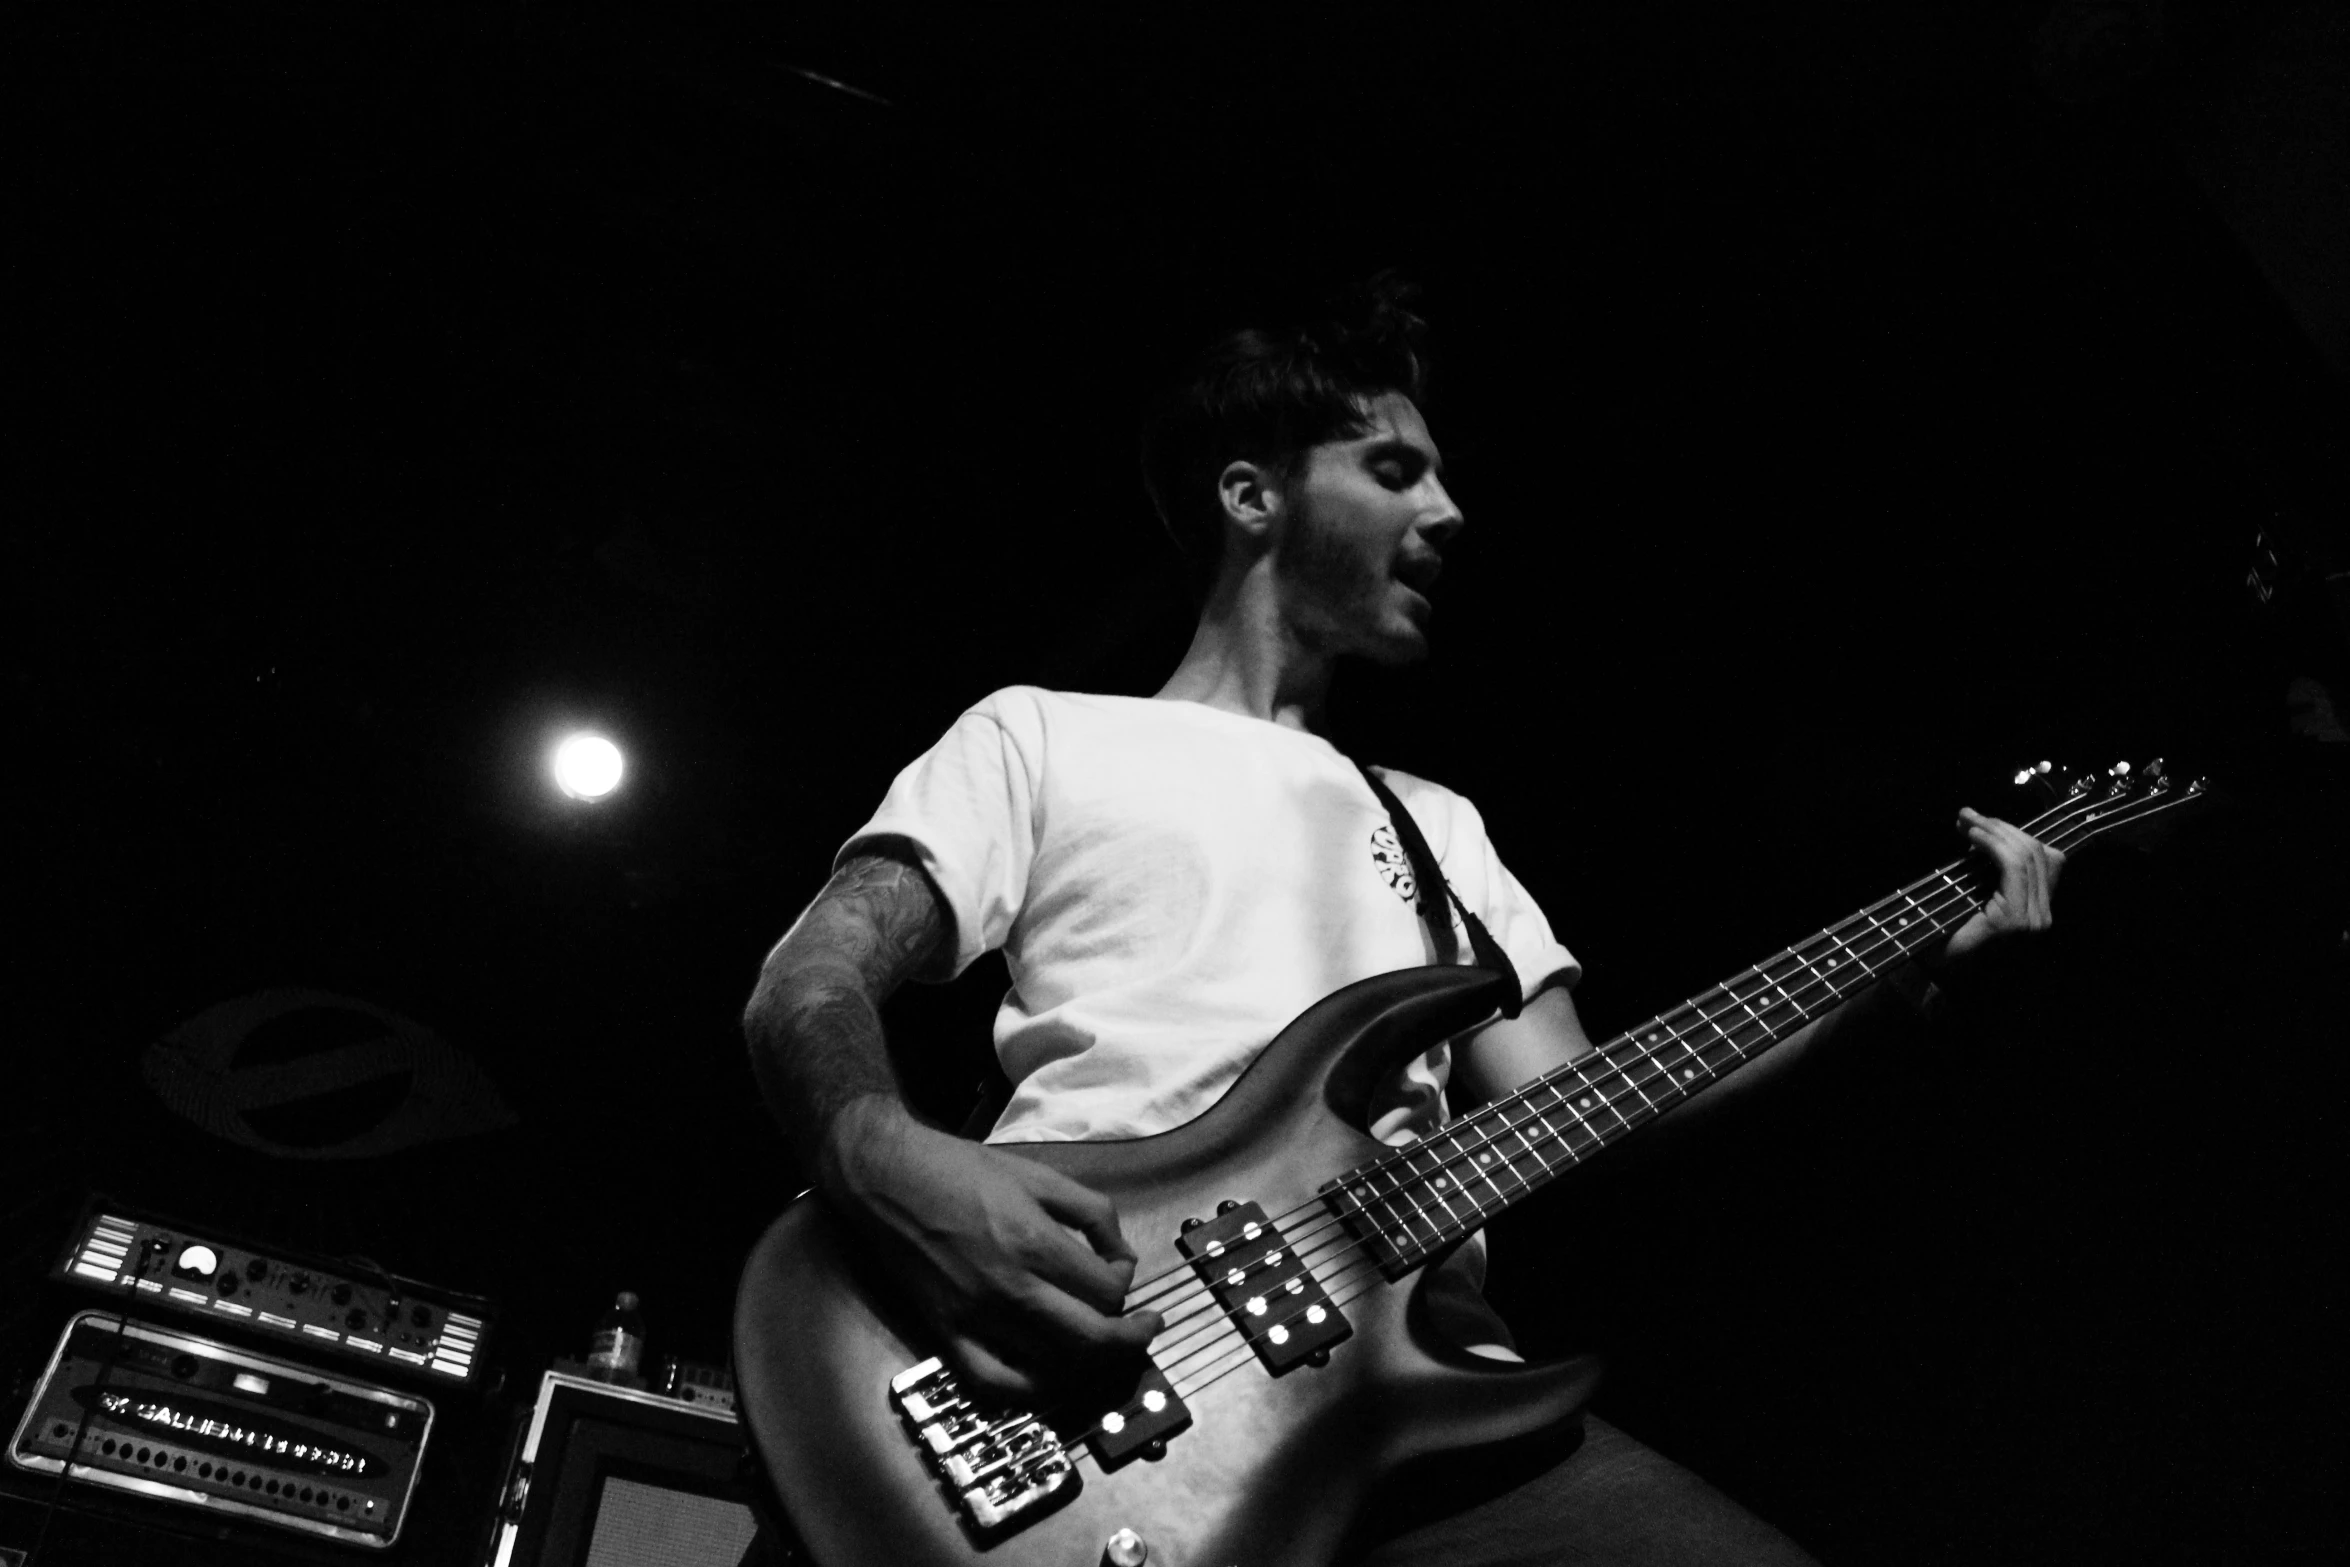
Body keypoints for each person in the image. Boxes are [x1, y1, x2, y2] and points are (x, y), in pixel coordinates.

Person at [740, 279, 2064, 1563]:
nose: (1445, 509)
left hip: (1422, 1404)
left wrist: (1895, 977)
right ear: (1251, 494)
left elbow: (1588, 1103)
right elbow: (810, 980)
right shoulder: (1043, 733)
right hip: (1081, 1346)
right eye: (1391, 468)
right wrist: (880, 1154)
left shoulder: (1436, 822)